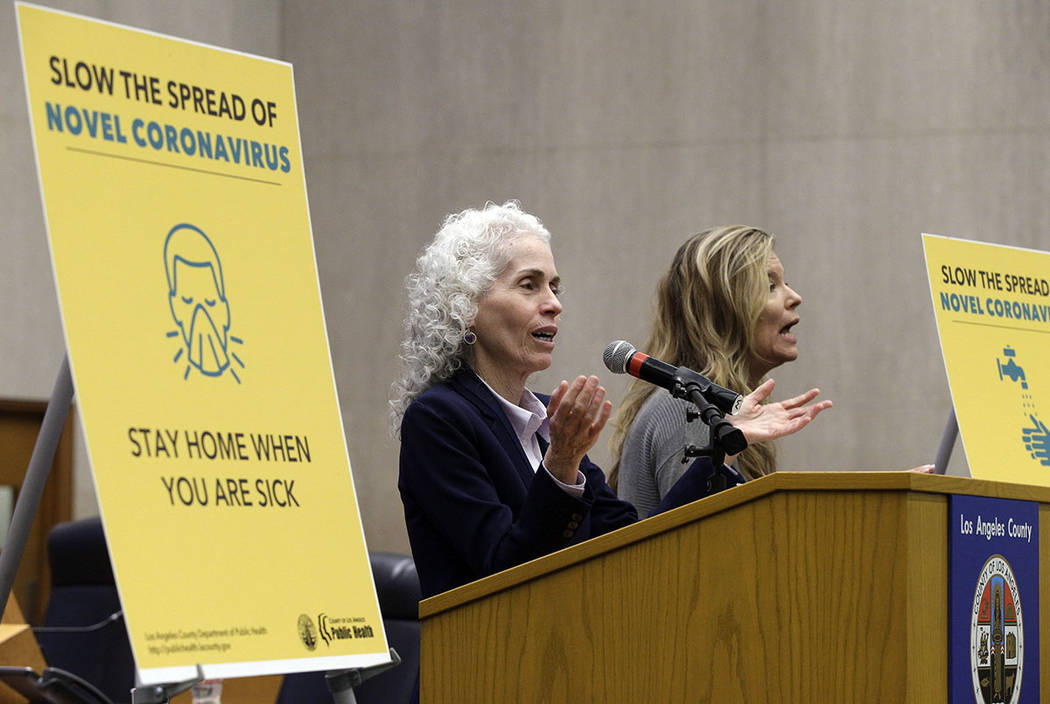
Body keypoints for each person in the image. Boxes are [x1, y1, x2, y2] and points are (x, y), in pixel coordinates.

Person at [393, 205, 829, 599]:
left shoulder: (548, 418)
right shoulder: (439, 418)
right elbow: (504, 574)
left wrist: (726, 445)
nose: (553, 304)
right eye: (529, 286)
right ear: (465, 305)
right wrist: (561, 464)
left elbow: (634, 545)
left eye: (555, 287)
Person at [610, 226, 834, 515]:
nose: (795, 297)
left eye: (785, 282)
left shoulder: (714, 405)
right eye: (770, 286)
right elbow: (694, 544)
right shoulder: (690, 408)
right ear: (722, 311)